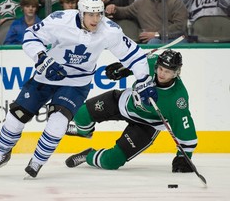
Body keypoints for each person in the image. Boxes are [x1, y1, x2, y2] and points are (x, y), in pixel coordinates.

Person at [0, 0, 158, 178]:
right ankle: (0, 154)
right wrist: (42, 60)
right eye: (91, 14)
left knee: (58, 123)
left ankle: (37, 161)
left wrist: (144, 80)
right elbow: (31, 36)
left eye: (99, 14)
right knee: (15, 117)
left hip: (76, 84)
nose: (96, 19)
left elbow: (135, 56)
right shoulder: (60, 21)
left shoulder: (109, 30)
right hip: (46, 77)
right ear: (80, 12)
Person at [65, 49, 197, 173]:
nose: (161, 74)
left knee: (111, 161)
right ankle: (83, 132)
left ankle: (88, 155)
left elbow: (185, 130)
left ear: (176, 73)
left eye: (167, 72)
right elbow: (134, 61)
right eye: (161, 69)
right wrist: (123, 69)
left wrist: (184, 157)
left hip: (146, 125)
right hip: (125, 103)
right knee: (80, 114)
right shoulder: (151, 62)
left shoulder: (177, 99)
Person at [105, 0, 188, 44]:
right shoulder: (141, 3)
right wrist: (114, 9)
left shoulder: (176, 3)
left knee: (154, 41)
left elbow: (180, 27)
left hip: (175, 40)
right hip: (151, 42)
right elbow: (124, 12)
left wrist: (156, 34)